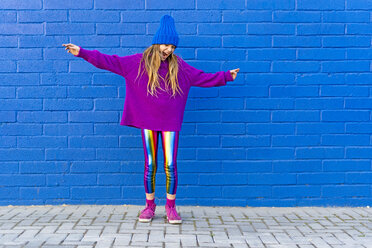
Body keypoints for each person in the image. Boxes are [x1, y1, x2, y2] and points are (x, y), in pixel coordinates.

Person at [63, 15, 239, 224]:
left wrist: (226, 76)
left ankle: (171, 208)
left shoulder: (179, 66)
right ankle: (149, 206)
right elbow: (109, 61)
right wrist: (82, 52)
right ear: (157, 43)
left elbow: (201, 77)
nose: (169, 50)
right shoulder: (137, 63)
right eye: (166, 45)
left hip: (170, 123)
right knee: (151, 164)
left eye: (173, 46)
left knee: (170, 165)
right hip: (147, 121)